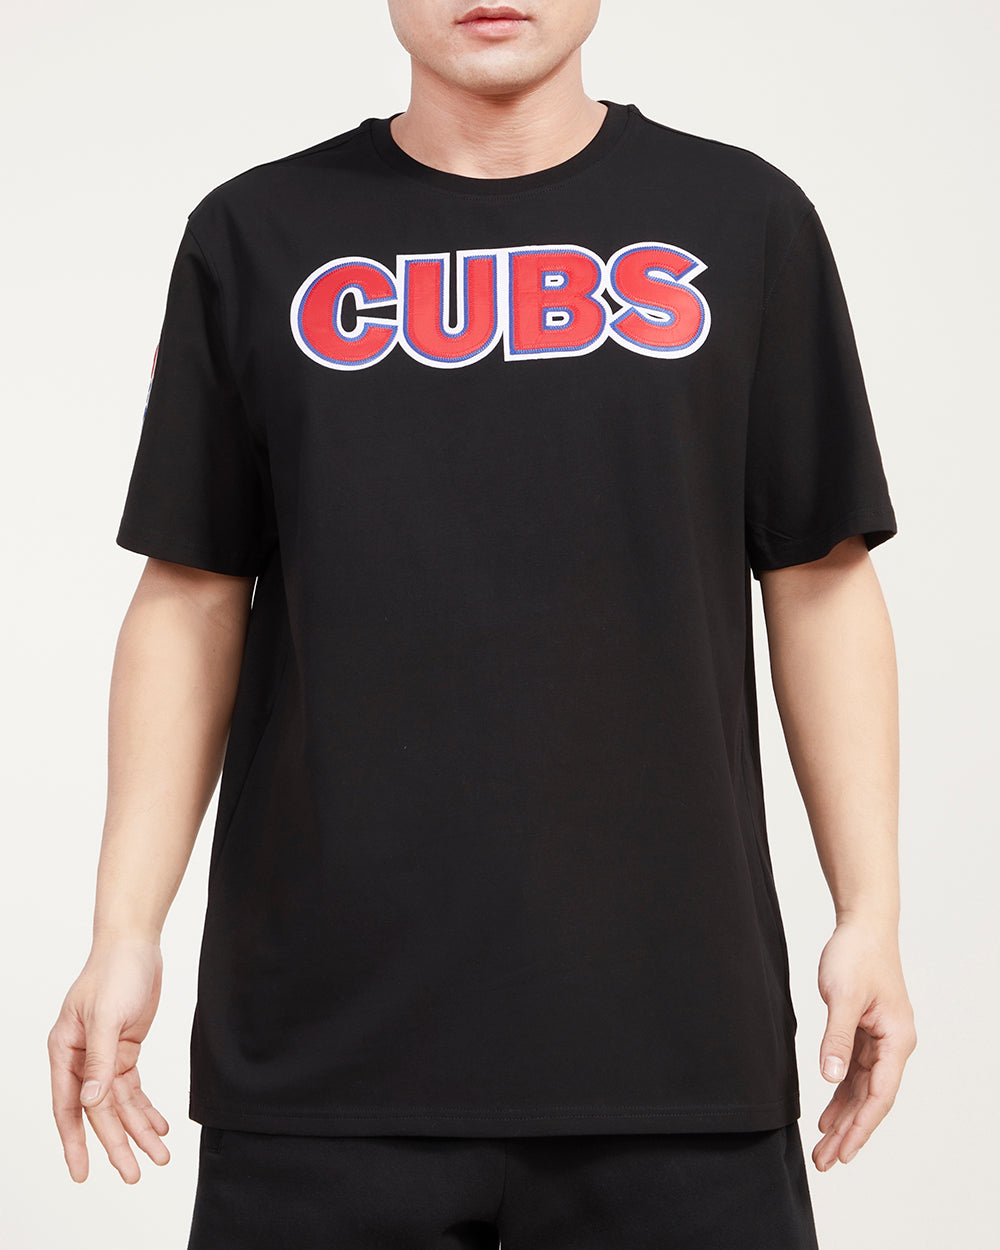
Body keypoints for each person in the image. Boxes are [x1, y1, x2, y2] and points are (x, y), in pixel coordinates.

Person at [48, 1, 917, 1245]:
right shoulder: (257, 233)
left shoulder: (742, 220)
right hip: (321, 1063)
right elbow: (190, 589)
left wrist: (870, 911)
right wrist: (123, 927)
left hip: (673, 1048)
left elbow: (818, 570)